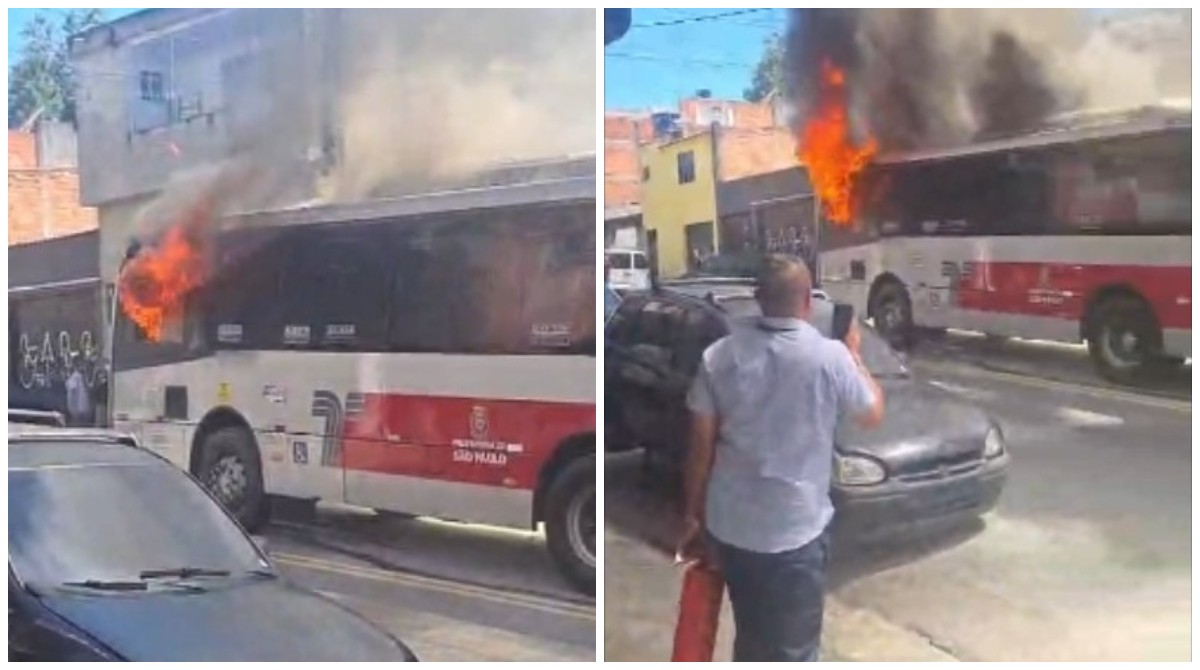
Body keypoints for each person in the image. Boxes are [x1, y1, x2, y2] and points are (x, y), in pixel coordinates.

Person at [677, 254, 884, 662]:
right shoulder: (831, 357)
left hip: (731, 529)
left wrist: (693, 518)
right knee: (794, 650)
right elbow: (872, 412)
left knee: (752, 635)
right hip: (795, 534)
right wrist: (855, 354)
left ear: (758, 299)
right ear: (808, 300)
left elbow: (700, 448)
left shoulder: (718, 357)